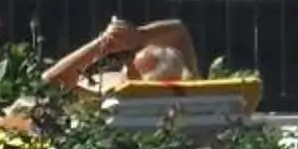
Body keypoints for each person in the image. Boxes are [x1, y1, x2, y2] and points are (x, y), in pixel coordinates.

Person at [41, 15, 200, 96]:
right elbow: (179, 31)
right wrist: (139, 36)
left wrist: (103, 44)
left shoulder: (114, 92)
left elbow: (50, 83)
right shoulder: (193, 89)